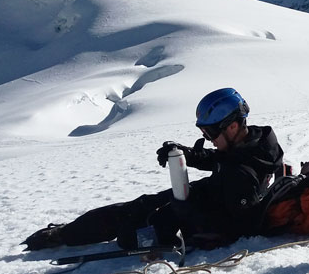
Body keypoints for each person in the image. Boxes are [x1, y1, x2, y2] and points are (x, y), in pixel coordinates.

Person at [22, 88, 285, 251]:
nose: (207, 137)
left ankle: (62, 236)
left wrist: (183, 212)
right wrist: (189, 154)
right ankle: (67, 232)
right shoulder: (258, 143)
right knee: (141, 206)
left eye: (210, 131)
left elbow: (240, 227)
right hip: (212, 194)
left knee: (137, 223)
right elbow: (226, 160)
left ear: (231, 127)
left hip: (207, 206)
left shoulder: (241, 175)